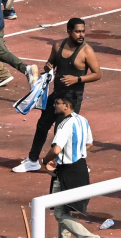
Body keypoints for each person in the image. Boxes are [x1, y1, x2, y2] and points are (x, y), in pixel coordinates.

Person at [15, 18, 101, 173]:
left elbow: (97, 74)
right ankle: (33, 160)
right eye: (77, 31)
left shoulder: (86, 51)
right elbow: (50, 63)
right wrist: (48, 66)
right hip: (57, 94)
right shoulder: (57, 46)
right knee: (42, 125)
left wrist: (78, 79)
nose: (81, 34)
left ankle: (73, 163)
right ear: (68, 31)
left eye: (83, 31)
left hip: (73, 97)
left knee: (62, 130)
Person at [43, 95, 104, 238]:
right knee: (66, 209)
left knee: (60, 213)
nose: (55, 105)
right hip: (81, 169)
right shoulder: (83, 120)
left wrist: (45, 161)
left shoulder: (64, 125)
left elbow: (55, 149)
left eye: (57, 102)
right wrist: (73, 152)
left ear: (67, 105)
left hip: (67, 172)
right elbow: (89, 144)